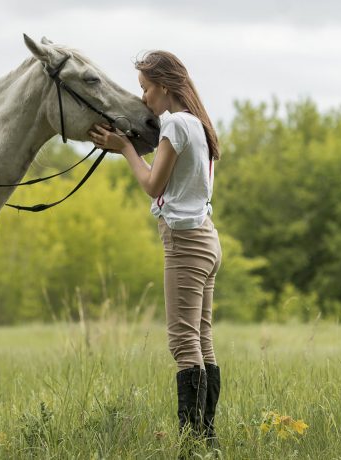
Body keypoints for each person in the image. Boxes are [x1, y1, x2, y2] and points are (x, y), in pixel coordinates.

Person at [88, 51, 222, 449]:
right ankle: (206, 440)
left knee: (183, 343)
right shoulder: (197, 123)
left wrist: (124, 149)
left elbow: (153, 185)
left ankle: (192, 444)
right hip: (206, 238)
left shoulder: (176, 124)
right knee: (201, 339)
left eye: (146, 89)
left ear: (164, 86)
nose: (143, 98)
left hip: (185, 242)